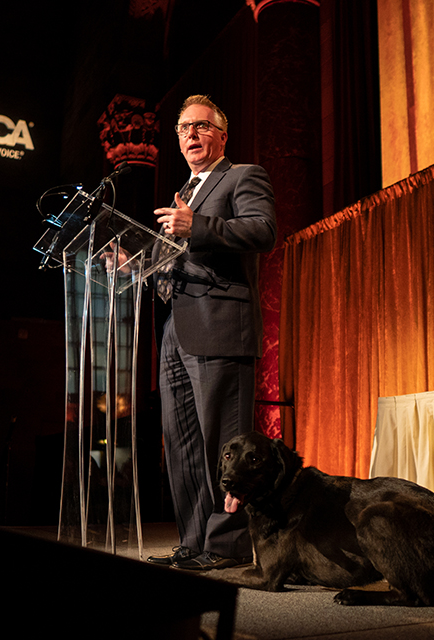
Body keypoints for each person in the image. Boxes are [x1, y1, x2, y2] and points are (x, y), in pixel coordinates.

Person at [112, 95, 276, 570]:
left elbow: (263, 230)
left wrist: (197, 225)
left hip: (222, 327)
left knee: (224, 443)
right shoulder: (186, 189)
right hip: (175, 331)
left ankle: (225, 545)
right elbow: (174, 262)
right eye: (185, 128)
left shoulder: (242, 176)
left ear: (222, 135)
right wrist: (134, 265)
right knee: (181, 443)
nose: (191, 135)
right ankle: (194, 541)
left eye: (202, 127)